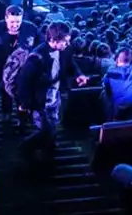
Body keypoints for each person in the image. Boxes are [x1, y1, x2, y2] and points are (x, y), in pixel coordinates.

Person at [16, 21, 87, 160]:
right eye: (65, 41)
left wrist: (79, 74)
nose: (68, 44)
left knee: (53, 123)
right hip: (40, 100)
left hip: (55, 96)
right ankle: (25, 149)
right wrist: (24, 103)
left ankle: (49, 147)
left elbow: (71, 63)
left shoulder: (64, 51)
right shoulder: (36, 57)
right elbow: (23, 81)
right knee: (44, 129)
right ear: (53, 40)